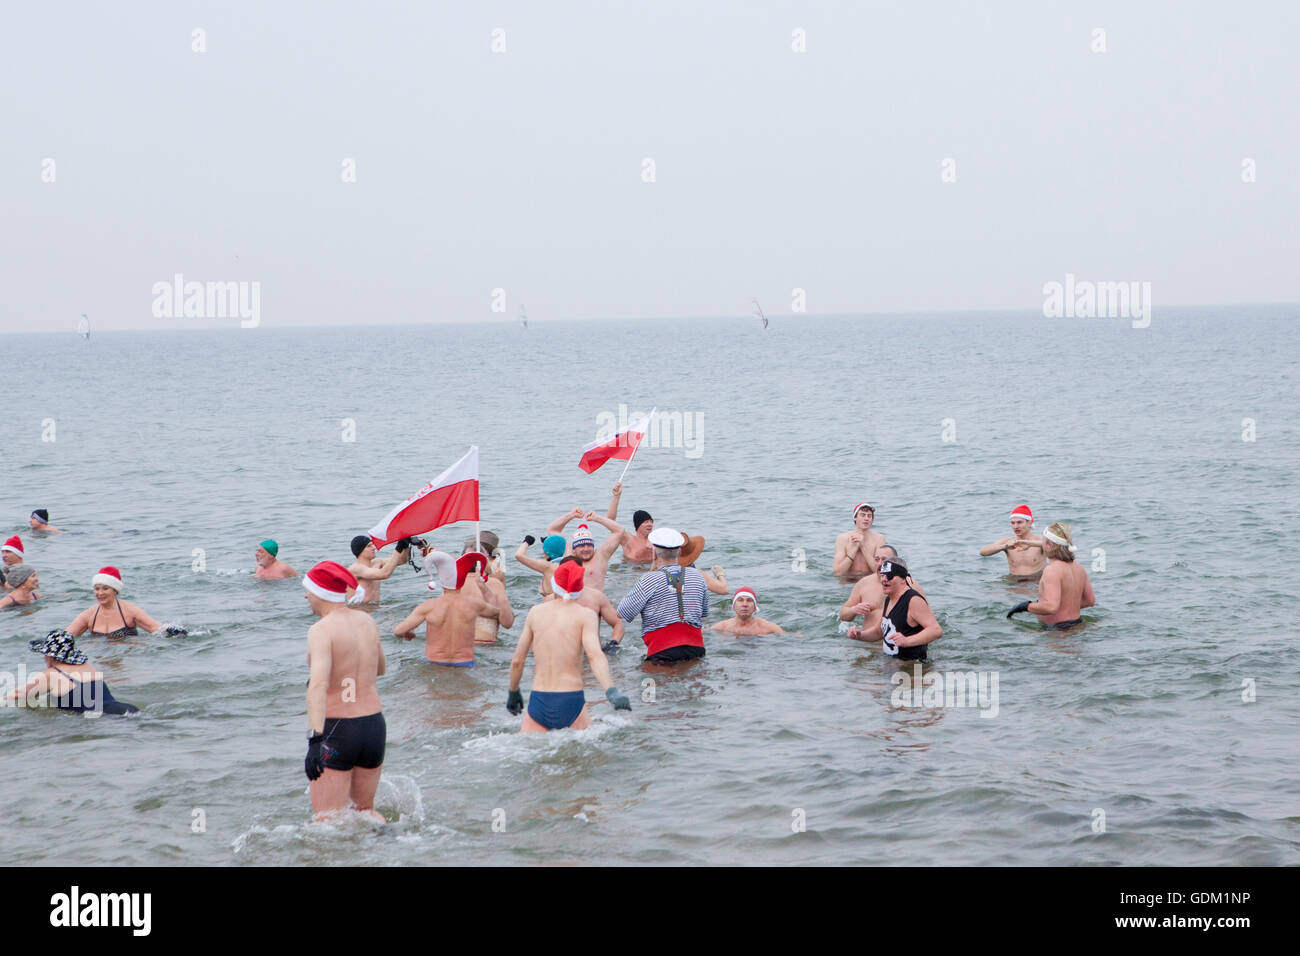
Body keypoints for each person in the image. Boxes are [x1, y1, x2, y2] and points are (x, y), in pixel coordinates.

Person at [301, 561, 388, 822]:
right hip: (373, 727)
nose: (305, 596)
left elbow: (317, 685)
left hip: (338, 730)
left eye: (308, 590)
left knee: (326, 820)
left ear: (320, 593)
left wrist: (314, 740)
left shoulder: (320, 630)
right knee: (365, 813)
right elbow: (381, 668)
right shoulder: (367, 621)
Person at [506, 560, 631, 732]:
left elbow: (517, 661)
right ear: (580, 587)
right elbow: (595, 656)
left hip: (538, 700)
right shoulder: (585, 615)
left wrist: (513, 692)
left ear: (554, 584)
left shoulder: (536, 612)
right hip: (571, 698)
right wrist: (611, 690)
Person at [615, 527, 709, 663]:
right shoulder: (697, 576)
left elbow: (622, 613)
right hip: (696, 648)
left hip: (662, 650)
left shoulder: (649, 579)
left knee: (651, 682)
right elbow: (704, 613)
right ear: (680, 552)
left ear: (654, 554)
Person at [393, 551, 499, 666]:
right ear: (462, 581)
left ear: (441, 580)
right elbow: (496, 612)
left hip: (434, 663)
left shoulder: (429, 606)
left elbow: (398, 631)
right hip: (464, 664)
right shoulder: (474, 605)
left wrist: (409, 634)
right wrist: (482, 586)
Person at [6, 630, 139, 716]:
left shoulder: (52, 674)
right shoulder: (87, 665)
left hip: (105, 719)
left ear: (50, 656)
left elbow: (16, 695)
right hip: (126, 709)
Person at [1007, 522, 1095, 629]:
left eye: (1043, 541)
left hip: (1057, 632)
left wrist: (1025, 606)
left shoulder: (1052, 570)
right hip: (1078, 625)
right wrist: (1067, 606)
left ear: (1049, 545)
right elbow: (1090, 601)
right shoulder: (1079, 568)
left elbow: (1051, 607)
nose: (1041, 544)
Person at [855, 557, 942, 660]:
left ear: (903, 579)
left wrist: (907, 641)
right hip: (892, 665)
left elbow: (936, 630)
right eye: (882, 575)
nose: (884, 579)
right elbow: (879, 632)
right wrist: (859, 635)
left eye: (890, 576)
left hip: (912, 668)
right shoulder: (889, 599)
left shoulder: (913, 600)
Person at [64, 567, 185, 637]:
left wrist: (176, 631)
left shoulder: (130, 611)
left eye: (105, 588)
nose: (100, 593)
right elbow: (66, 636)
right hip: (100, 658)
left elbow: (155, 628)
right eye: (97, 589)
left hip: (127, 657)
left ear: (115, 590)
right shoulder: (88, 615)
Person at [841, 545, 926, 639]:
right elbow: (843, 615)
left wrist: (909, 642)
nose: (880, 563)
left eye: (884, 560)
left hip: (899, 646)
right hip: (868, 643)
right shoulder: (863, 584)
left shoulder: (910, 586)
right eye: (876, 559)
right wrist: (854, 610)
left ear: (895, 561)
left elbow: (926, 624)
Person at [544, 511, 625, 592]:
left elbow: (619, 530)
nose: (586, 549)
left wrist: (597, 518)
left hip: (595, 601)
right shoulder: (569, 555)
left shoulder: (600, 557)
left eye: (589, 545)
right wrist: (571, 515)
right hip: (573, 602)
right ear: (574, 549)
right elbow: (552, 529)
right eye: (581, 546)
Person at [555, 555, 625, 648]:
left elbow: (617, 623)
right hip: (564, 653)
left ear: (581, 573)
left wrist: (613, 644)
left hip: (593, 651)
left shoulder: (596, 597)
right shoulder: (550, 600)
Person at [458, 532, 514, 643]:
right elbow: (507, 623)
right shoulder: (495, 583)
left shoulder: (452, 584)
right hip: (486, 645)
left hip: (458, 646)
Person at [979, 504, 1045, 579]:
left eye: (1019, 522)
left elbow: (1056, 545)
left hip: (1035, 582)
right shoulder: (1008, 542)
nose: (1015, 526)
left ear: (1029, 523)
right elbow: (983, 552)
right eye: (1012, 523)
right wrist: (1005, 546)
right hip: (1014, 582)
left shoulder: (1040, 541)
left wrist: (1030, 543)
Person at [347, 534, 411, 604]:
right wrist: (399, 547)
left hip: (376, 608)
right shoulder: (355, 568)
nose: (374, 548)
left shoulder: (378, 562)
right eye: (369, 546)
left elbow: (402, 560)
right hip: (360, 610)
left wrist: (406, 544)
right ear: (360, 551)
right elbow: (384, 574)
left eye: (372, 544)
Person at [833, 503, 887, 581]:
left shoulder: (879, 539)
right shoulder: (842, 539)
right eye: (862, 515)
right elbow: (837, 573)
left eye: (869, 516)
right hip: (848, 582)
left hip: (869, 581)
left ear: (872, 520)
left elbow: (879, 572)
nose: (866, 518)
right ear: (855, 518)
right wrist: (854, 550)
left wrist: (863, 546)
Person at [606, 481, 655, 564]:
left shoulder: (656, 540)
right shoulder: (628, 539)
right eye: (646, 522)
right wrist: (616, 496)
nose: (650, 524)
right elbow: (610, 521)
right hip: (632, 571)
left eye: (651, 522)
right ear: (638, 525)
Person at [713, 586, 783, 635]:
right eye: (740, 600)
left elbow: (788, 638)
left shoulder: (768, 628)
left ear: (755, 607)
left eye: (749, 600)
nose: (745, 604)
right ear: (733, 606)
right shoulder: (721, 628)